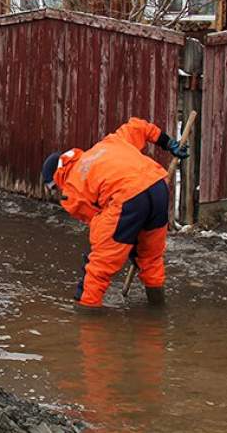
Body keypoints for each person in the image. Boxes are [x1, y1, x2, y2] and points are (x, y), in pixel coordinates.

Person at [41, 118, 188, 310]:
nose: (57, 192)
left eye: (53, 188)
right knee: (151, 258)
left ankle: (87, 319)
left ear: (57, 177)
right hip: (157, 186)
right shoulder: (109, 143)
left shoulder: (71, 189)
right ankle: (158, 312)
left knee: (97, 268)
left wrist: (118, 244)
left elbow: (101, 225)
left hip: (127, 198)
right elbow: (139, 126)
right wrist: (168, 143)